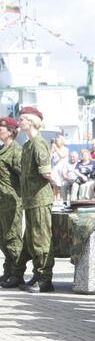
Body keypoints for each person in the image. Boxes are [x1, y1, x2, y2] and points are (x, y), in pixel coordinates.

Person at [15, 107, 55, 293]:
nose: (19, 122)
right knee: (32, 239)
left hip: (40, 199)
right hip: (30, 200)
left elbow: (46, 172)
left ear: (31, 121)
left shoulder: (38, 143)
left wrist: (58, 184)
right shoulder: (28, 145)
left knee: (41, 239)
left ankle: (45, 278)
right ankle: (38, 274)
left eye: (22, 119)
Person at [0, 118, 24, 288]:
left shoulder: (16, 151)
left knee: (12, 237)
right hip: (2, 200)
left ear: (10, 131)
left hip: (12, 200)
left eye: (1, 128)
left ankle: (17, 273)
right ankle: (8, 271)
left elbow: (23, 175)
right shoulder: (3, 149)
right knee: (2, 237)